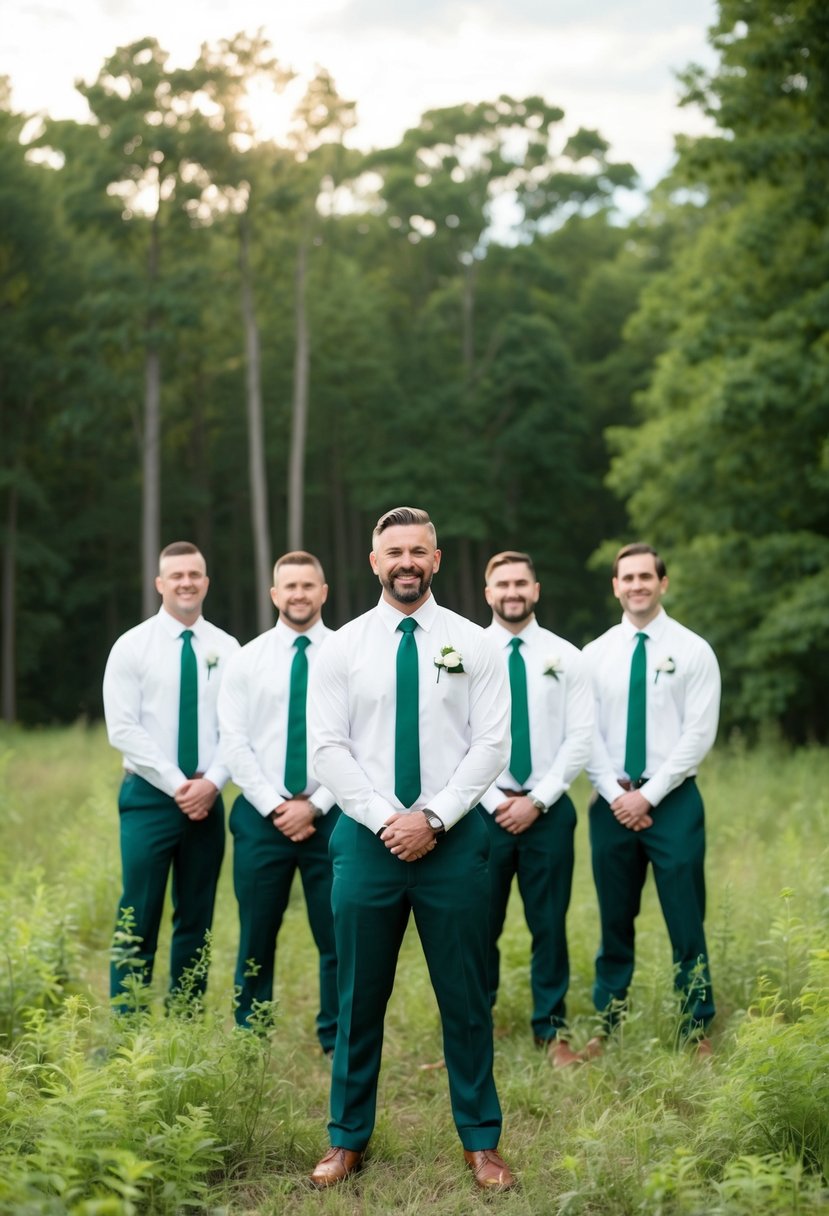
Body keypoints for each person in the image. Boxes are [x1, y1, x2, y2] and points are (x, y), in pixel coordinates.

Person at [305, 506, 516, 1192]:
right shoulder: (341, 647)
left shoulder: (472, 644)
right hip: (365, 843)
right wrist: (383, 819)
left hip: (453, 845)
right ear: (373, 562)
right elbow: (326, 747)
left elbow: (491, 743)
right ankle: (346, 1141)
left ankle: (480, 1143)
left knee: (464, 998)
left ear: (435, 559)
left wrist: (434, 816)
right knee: (356, 996)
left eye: (416, 551)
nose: (405, 561)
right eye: (392, 550)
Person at [582, 542, 721, 1057]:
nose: (636, 584)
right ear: (615, 586)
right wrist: (615, 794)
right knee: (614, 920)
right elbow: (585, 733)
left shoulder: (692, 651)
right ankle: (608, 1024)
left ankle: (696, 1027)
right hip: (611, 805)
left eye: (646, 576)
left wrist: (650, 796)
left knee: (686, 919)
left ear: (663, 583)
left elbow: (698, 735)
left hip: (675, 804)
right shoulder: (594, 655)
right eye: (627, 577)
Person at [103, 541, 239, 1006]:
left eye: (194, 574)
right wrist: (177, 783)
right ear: (160, 583)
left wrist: (212, 783)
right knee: (137, 913)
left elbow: (238, 729)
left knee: (196, 915)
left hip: (208, 794)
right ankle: (127, 1024)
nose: (186, 582)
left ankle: (185, 1019)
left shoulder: (228, 648)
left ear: (206, 582)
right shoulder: (131, 646)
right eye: (176, 575)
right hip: (148, 797)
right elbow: (122, 728)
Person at [217, 551, 339, 1050]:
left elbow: (361, 740)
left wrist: (318, 803)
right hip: (261, 816)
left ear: (323, 592)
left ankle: (337, 1034)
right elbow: (234, 741)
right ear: (274, 595)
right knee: (257, 932)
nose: (298, 595)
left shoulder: (345, 654)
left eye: (308, 585)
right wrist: (275, 806)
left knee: (336, 935)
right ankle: (251, 1032)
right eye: (289, 586)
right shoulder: (247, 660)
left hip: (332, 814)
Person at [479, 551, 593, 1067]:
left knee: (549, 923)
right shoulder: (466, 653)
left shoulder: (567, 656)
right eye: (502, 584)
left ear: (536, 589)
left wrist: (539, 799)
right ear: (488, 593)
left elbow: (579, 737)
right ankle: (473, 1031)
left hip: (549, 813)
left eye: (520, 582)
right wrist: (493, 798)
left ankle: (552, 1032)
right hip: (481, 812)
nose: (512, 591)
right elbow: (453, 737)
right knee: (477, 927)